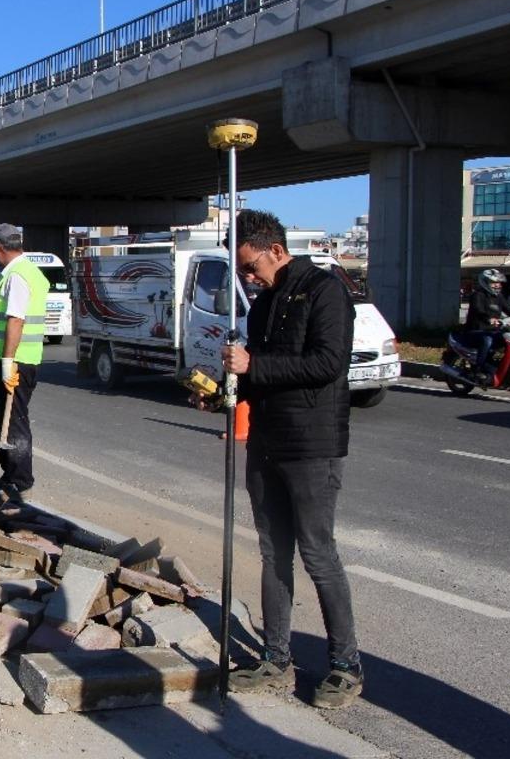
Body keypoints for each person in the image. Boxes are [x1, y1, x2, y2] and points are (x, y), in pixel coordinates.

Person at [216, 210, 362, 709]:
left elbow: (328, 363)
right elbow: (261, 376)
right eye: (243, 272)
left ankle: (346, 666)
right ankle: (276, 659)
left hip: (312, 443)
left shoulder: (326, 291)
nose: (248, 278)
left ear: (275, 249)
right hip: (267, 440)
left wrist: (256, 364)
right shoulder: (263, 304)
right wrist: (225, 388)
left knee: (318, 554)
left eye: (251, 267)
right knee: (273, 551)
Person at [0, 223, 50, 501]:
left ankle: (19, 481)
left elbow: (16, 320)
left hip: (14, 361)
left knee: (14, 421)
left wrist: (8, 361)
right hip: (21, 358)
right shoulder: (27, 271)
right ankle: (10, 475)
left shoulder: (17, 276)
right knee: (7, 419)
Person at [463, 268, 510, 381]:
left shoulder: (498, 297)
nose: (497, 285)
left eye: (498, 283)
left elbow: (509, 309)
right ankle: (477, 370)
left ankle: (501, 367)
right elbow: (478, 310)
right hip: (475, 331)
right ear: (485, 282)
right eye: (493, 282)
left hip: (493, 331)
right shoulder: (478, 295)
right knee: (487, 340)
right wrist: (489, 319)